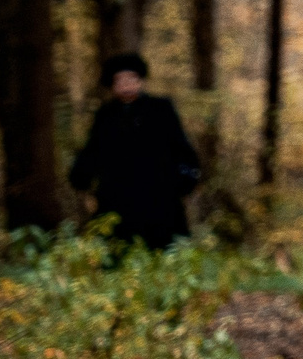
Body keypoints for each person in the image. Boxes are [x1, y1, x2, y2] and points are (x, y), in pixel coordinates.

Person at [69, 53, 203, 249]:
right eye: (120, 80)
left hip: (158, 195)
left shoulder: (161, 109)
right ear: (112, 84)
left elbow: (181, 147)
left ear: (140, 80)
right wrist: (81, 175)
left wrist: (186, 177)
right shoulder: (106, 115)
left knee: (163, 249)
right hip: (117, 196)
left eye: (131, 79)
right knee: (118, 250)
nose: (126, 85)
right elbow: (93, 151)